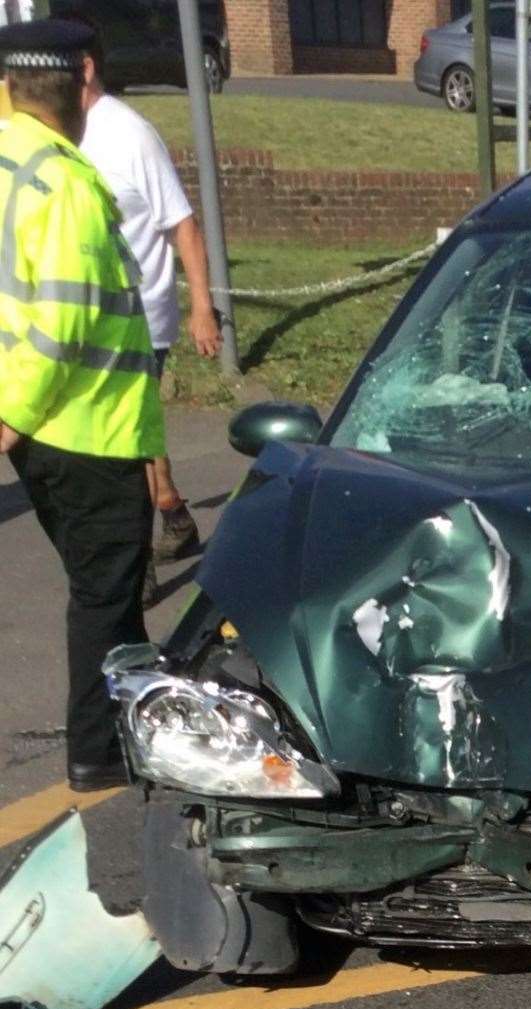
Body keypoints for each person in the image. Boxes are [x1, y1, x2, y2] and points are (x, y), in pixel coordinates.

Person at [0, 18, 165, 791]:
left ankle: (131, 720)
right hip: (83, 425)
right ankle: (99, 750)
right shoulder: (64, 181)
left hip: (48, 426)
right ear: (82, 85)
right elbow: (62, 318)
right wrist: (14, 415)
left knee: (106, 589)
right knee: (104, 595)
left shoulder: (7, 161)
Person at [77, 31, 221, 605]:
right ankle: (174, 514)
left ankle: (137, 571)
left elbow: (181, 223)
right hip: (88, 319)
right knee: (133, 436)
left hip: (140, 319)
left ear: (84, 69)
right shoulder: (55, 133)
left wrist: (202, 307)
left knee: (118, 443)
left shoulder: (128, 133)